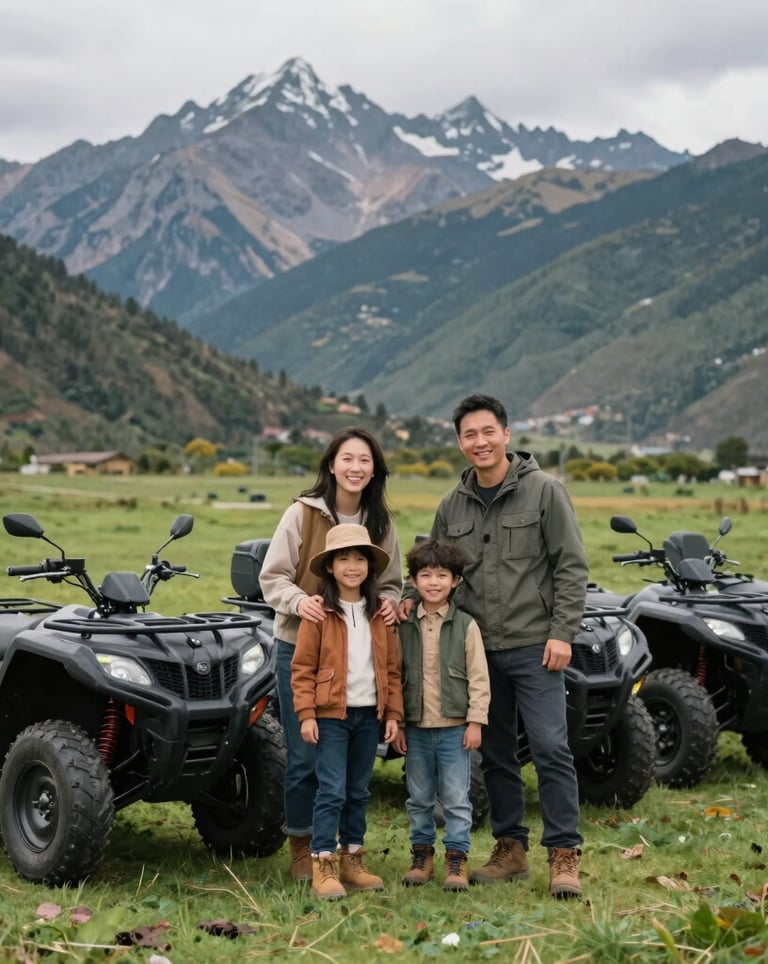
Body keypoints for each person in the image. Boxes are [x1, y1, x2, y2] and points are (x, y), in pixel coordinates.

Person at [399, 394, 589, 899]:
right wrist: (401, 600)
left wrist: (562, 632)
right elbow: (431, 565)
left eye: (488, 432)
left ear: (506, 434)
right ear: (460, 442)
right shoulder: (451, 504)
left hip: (535, 644)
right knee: (496, 752)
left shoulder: (546, 492)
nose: (479, 442)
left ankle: (564, 854)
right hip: (475, 651)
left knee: (550, 747)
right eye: (469, 435)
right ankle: (511, 849)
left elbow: (571, 566)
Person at [259, 427, 402, 882]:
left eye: (365, 460)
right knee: (305, 755)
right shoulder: (302, 514)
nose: (356, 467)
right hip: (303, 644)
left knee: (355, 767)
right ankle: (305, 847)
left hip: (360, 650)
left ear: (375, 468)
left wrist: (392, 603)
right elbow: (273, 576)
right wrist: (299, 601)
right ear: (331, 464)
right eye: (348, 459)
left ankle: (347, 852)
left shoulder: (381, 522)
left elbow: (393, 581)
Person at [291, 523, 403, 900]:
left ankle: (353, 857)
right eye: (344, 559)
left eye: (359, 559)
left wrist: (393, 714)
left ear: (370, 567)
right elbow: (303, 668)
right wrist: (307, 713)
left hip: (370, 714)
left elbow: (391, 669)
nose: (352, 566)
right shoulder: (318, 612)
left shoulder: (380, 614)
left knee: (358, 791)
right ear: (330, 568)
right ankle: (323, 863)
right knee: (331, 790)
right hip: (331, 716)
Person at [394, 538, 490, 892]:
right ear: (414, 581)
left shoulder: (466, 626)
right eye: (425, 575)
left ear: (456, 581)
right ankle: (421, 856)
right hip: (417, 728)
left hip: (454, 729)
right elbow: (395, 675)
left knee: (456, 797)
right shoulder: (404, 626)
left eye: (442, 575)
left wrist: (476, 721)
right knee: (418, 797)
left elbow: (479, 677)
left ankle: (456, 858)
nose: (433, 582)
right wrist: (400, 723)